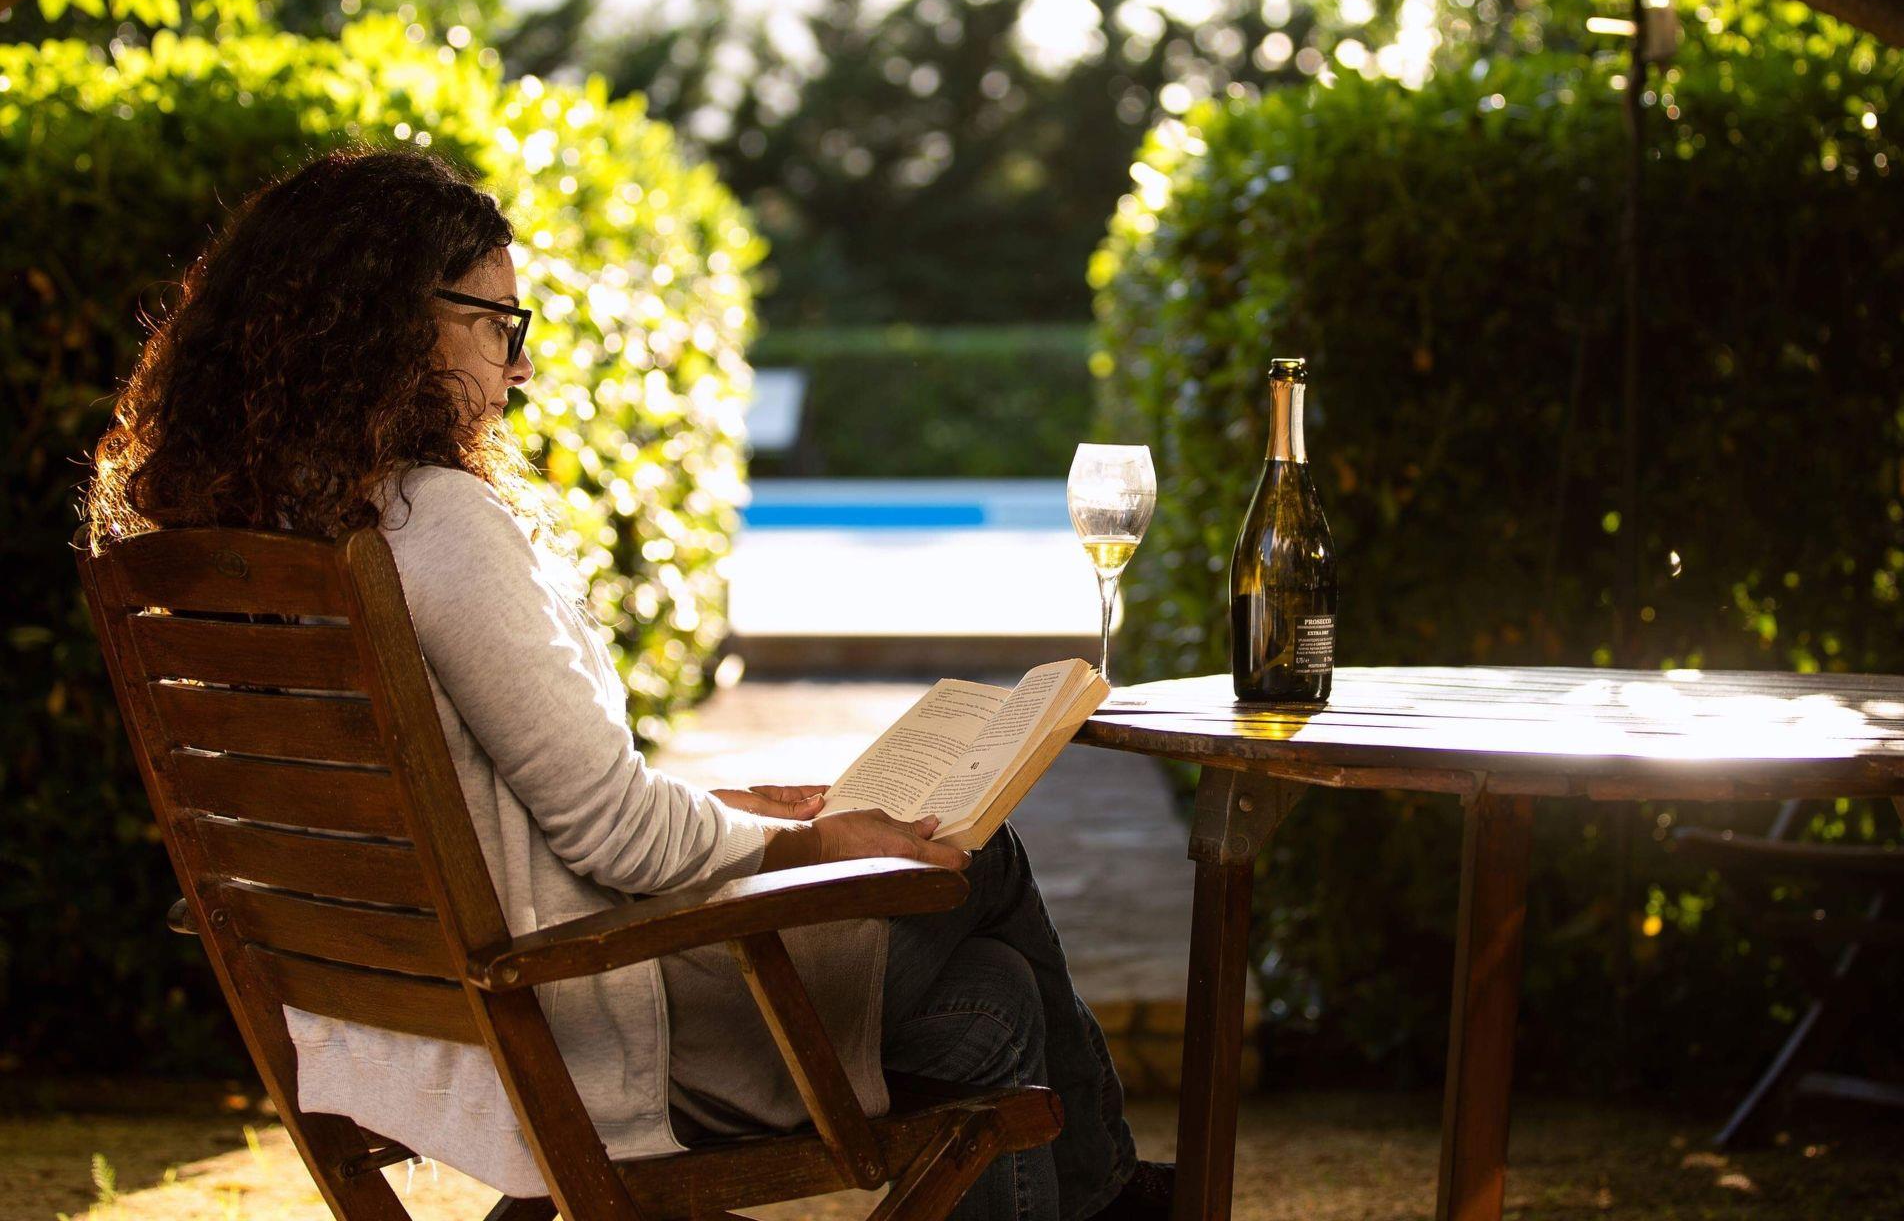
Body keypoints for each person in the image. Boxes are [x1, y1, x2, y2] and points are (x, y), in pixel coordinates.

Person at [86, 146, 1173, 1220]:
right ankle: (1116, 1198)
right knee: (980, 858)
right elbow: (616, 837)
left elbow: (499, 811)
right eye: (498, 323)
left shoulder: (240, 541)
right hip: (585, 1022)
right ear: (390, 321)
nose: (518, 368)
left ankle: (1108, 1199)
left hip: (420, 1022)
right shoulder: (432, 523)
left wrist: (739, 812)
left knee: (992, 1006)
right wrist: (805, 846)